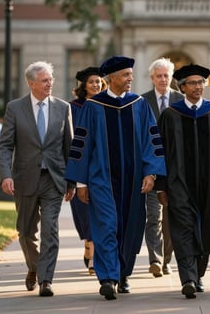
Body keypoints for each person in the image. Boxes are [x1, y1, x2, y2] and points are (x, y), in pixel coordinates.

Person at [64, 56, 166, 300]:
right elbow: (81, 144)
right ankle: (108, 277)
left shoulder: (139, 104)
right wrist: (81, 182)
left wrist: (151, 172)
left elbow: (152, 140)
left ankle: (123, 274)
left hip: (133, 180)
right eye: (125, 75)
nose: (131, 79)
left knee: (130, 227)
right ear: (111, 78)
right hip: (101, 178)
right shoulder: (93, 106)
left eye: (131, 74)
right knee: (106, 225)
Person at [158, 64, 210, 299]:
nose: (197, 87)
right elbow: (161, 152)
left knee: (207, 227)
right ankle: (187, 278)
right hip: (179, 182)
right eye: (192, 83)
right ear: (182, 86)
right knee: (183, 228)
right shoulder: (170, 115)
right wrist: (161, 186)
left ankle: (198, 274)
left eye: (201, 83)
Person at [0, 61, 74, 297]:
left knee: (51, 229)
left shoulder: (62, 108)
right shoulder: (15, 108)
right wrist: (6, 175)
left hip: (53, 179)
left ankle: (46, 279)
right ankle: (34, 267)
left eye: (51, 79)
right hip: (25, 178)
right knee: (26, 231)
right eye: (44, 80)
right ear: (31, 83)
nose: (49, 83)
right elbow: (5, 145)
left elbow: (69, 147)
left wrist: (71, 181)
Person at [142, 57, 183, 277]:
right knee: (153, 215)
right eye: (159, 76)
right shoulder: (142, 101)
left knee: (171, 215)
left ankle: (167, 259)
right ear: (152, 78)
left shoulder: (181, 100)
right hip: (152, 167)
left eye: (166, 75)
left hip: (176, 169)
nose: (163, 79)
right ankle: (155, 259)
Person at [69, 66, 107, 275]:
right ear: (83, 85)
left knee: (100, 210)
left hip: (102, 166)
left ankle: (94, 254)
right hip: (80, 166)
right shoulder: (74, 107)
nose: (96, 85)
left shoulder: (107, 105)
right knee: (82, 210)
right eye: (92, 82)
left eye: (99, 82)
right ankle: (88, 244)